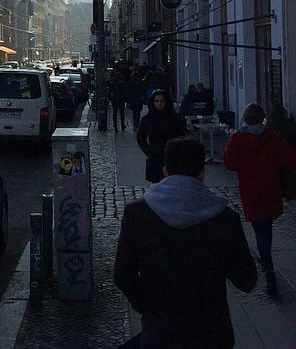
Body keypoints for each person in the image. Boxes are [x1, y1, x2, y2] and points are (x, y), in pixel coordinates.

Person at [114, 137, 257, 349]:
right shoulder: (225, 218)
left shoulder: (137, 214)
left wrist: (146, 306)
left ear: (165, 171)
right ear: (202, 173)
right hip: (212, 333)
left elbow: (122, 274)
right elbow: (247, 280)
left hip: (160, 331)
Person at [223, 102, 296, 296]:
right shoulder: (272, 137)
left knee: (260, 229)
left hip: (250, 191)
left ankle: (267, 267)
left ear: (245, 119)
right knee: (266, 228)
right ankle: (266, 262)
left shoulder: (237, 139)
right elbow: (290, 159)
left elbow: (229, 163)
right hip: (271, 191)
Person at [136, 89, 185, 182]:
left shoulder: (174, 118)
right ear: (153, 102)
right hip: (155, 156)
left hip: (171, 156)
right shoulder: (147, 119)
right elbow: (141, 137)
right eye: (157, 101)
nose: (159, 103)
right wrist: (148, 151)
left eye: (162, 101)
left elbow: (181, 135)